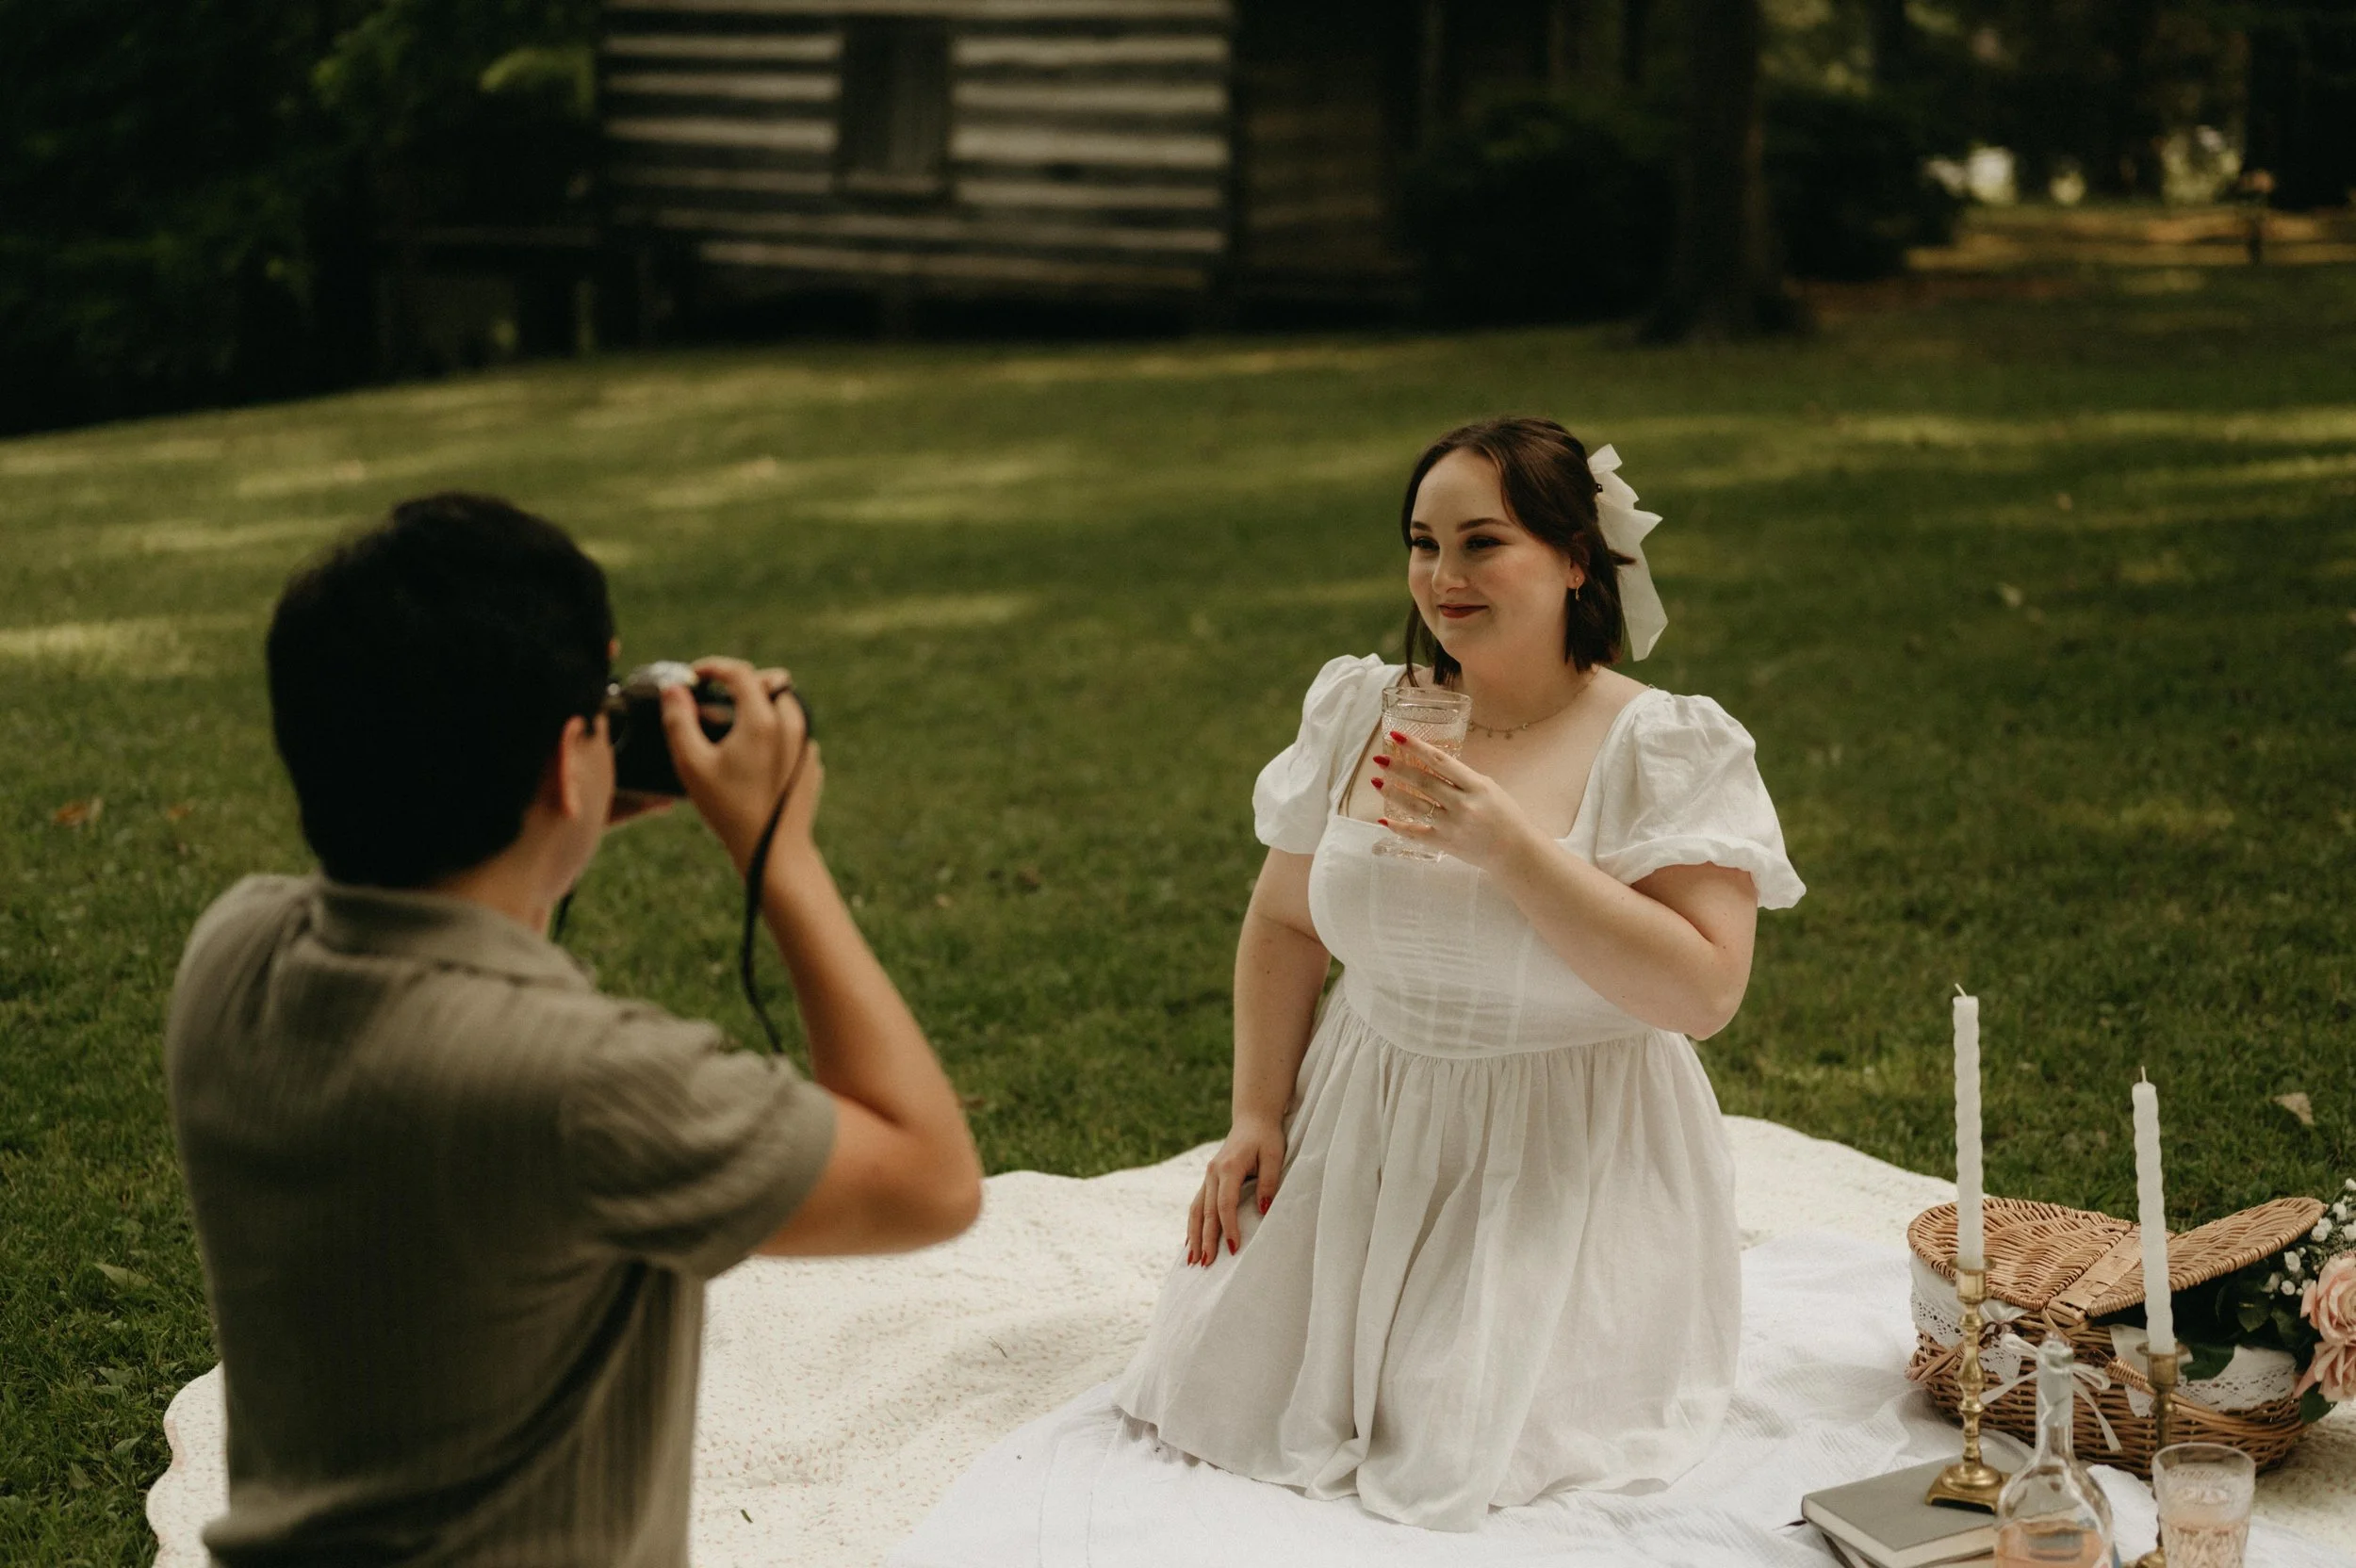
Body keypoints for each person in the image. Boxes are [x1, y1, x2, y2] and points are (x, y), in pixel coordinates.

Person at [165, 494, 982, 1565]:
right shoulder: (580, 1083)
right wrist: (779, 852)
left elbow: (444, 952)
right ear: (566, 757)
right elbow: (931, 1177)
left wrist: (558, 824)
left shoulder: (233, 947)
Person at [1110, 417, 1806, 1532]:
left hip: (1562, 1145)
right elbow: (1287, 923)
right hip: (1364, 1113)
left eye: (1483, 542)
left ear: (1577, 557)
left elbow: (1704, 993)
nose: (1443, 576)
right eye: (1421, 541)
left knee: (1463, 1428)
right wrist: (1255, 1112)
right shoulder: (1362, 710)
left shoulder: (1664, 744)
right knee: (1223, 1390)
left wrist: (1513, 851)